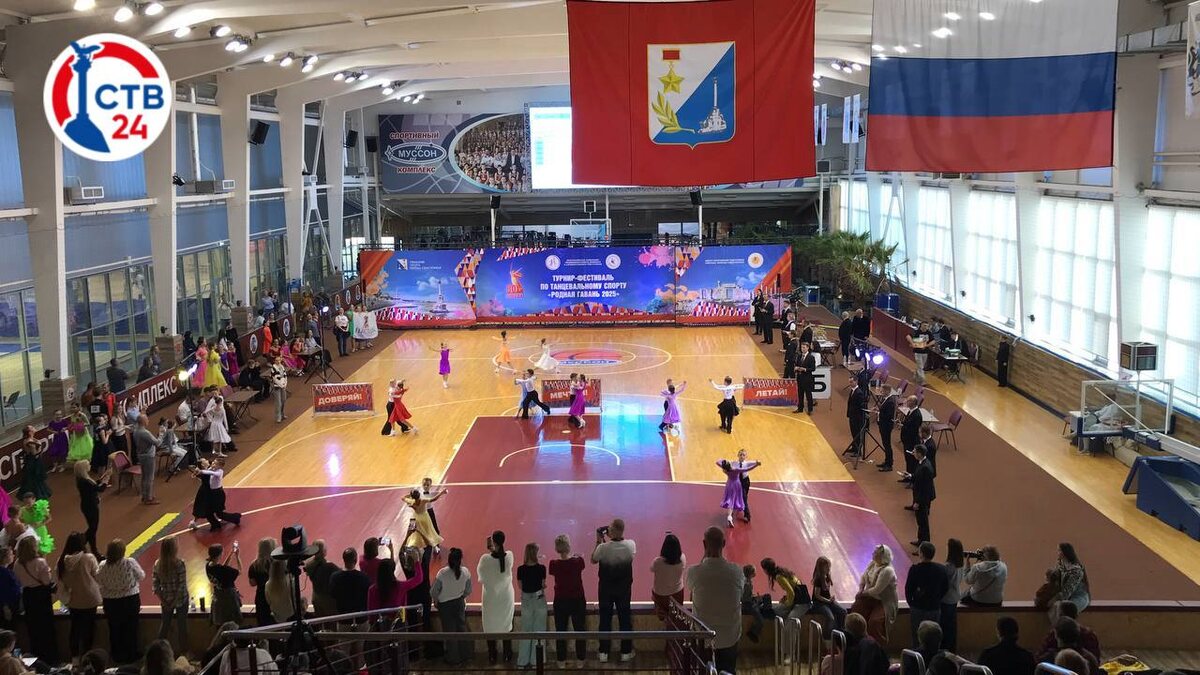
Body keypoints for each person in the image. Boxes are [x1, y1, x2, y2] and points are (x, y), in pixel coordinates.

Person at [687, 527, 744, 674]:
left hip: (704, 638)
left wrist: (706, 554)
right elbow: (741, 594)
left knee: (704, 670)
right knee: (728, 670)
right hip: (729, 636)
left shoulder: (694, 572)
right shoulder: (737, 572)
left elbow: (691, 590)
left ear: (704, 544)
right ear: (724, 543)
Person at [593, 518, 636, 663]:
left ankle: (603, 652)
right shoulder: (631, 545)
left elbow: (593, 559)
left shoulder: (603, 548)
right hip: (624, 590)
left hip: (605, 589)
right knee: (625, 619)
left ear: (611, 531)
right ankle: (626, 652)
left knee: (605, 620)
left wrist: (599, 541)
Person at [97, 538, 145, 663]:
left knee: (114, 629)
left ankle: (116, 655)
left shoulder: (102, 565)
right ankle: (132, 654)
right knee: (131, 628)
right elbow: (141, 576)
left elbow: (98, 580)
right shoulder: (129, 562)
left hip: (111, 602)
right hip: (130, 600)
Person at [57, 531, 101, 660]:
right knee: (89, 629)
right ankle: (87, 657)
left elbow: (60, 581)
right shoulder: (89, 558)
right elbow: (97, 575)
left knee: (75, 630)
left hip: (73, 600)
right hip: (90, 599)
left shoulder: (61, 561)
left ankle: (75, 659)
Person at [14, 537, 58, 663]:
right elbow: (46, 581)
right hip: (41, 595)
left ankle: (36, 657)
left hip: (28, 595)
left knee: (33, 628)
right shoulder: (40, 562)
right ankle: (50, 658)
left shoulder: (18, 563)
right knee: (46, 627)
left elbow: (18, 580)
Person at [548, 534, 586, 668]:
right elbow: (581, 564)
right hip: (577, 599)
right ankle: (580, 659)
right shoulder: (578, 562)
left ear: (556, 548)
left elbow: (553, 572)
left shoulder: (553, 564)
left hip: (560, 600)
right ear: (569, 546)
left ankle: (561, 660)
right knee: (580, 629)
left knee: (561, 630)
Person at [477, 531, 515, 665]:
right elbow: (501, 559)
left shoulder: (484, 559)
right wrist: (493, 550)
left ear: (493, 542)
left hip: (490, 599)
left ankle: (492, 655)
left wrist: (490, 551)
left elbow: (481, 577)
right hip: (506, 598)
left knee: (490, 625)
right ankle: (507, 654)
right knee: (507, 624)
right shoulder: (509, 556)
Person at [432, 548, 473, 666]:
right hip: (459, 603)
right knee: (462, 629)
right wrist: (461, 597)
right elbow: (468, 590)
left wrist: (436, 601)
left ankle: (453, 658)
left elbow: (434, 591)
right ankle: (465, 655)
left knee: (449, 632)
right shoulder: (465, 572)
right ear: (460, 559)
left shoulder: (442, 573)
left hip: (445, 606)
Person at [852, 544, 898, 645]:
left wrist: (862, 594)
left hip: (884, 601)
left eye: (875, 552)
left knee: (874, 622)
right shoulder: (872, 563)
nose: (873, 553)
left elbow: (876, 590)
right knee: (856, 612)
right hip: (870, 598)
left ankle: (877, 646)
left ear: (882, 556)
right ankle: (857, 641)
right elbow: (863, 576)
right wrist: (861, 588)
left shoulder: (888, 571)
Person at [905, 541, 949, 648]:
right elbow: (945, 587)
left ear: (921, 554)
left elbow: (908, 589)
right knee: (934, 635)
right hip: (934, 607)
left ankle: (917, 654)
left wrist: (911, 603)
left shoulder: (915, 569)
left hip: (918, 607)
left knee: (917, 635)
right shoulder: (941, 569)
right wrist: (937, 598)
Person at [152, 538, 189, 651]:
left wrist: (164, 601)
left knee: (165, 626)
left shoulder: (158, 564)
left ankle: (157, 651)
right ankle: (184, 651)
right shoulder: (179, 563)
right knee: (182, 626)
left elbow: (155, 585)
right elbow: (181, 585)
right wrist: (174, 601)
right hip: (181, 600)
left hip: (166, 599)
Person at [515, 542, 548, 668]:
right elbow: (543, 584)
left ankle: (522, 661)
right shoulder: (542, 568)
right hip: (539, 599)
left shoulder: (520, 569)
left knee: (526, 629)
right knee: (539, 630)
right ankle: (536, 661)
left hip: (526, 599)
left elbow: (520, 586)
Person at [74, 461, 109, 557]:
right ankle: (81, 544)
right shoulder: (85, 481)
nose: (90, 465)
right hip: (91, 507)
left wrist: (102, 479)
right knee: (93, 528)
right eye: (87, 465)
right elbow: (100, 489)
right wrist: (105, 481)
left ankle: (92, 549)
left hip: (88, 506)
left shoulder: (82, 480)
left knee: (92, 528)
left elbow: (94, 485)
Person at [650, 533, 686, 622]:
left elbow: (651, 569)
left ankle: (661, 615)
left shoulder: (657, 562)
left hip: (660, 594)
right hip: (677, 594)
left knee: (656, 598)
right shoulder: (682, 558)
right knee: (676, 616)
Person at [205, 543, 243, 626]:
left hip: (218, 596)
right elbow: (240, 571)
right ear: (220, 554)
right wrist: (237, 556)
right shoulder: (223, 570)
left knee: (219, 620)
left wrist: (231, 554)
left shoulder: (208, 566)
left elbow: (222, 568)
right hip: (228, 598)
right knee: (232, 620)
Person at [1049, 543, 1091, 616]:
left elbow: (1068, 589)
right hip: (1065, 597)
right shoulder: (1060, 565)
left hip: (1078, 597)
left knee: (1066, 610)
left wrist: (1055, 599)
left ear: (1065, 552)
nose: (1058, 553)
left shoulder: (1076, 570)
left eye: (1059, 550)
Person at [717, 456, 761, 527]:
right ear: (729, 465)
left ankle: (729, 516)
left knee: (730, 500)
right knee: (736, 499)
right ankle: (732, 516)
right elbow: (747, 469)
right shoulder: (736, 469)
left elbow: (717, 462)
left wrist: (723, 462)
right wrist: (756, 465)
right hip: (736, 485)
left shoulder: (725, 470)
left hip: (729, 484)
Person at [810, 556, 847, 635]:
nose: (828, 569)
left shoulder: (827, 577)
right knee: (831, 618)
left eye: (829, 567)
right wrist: (828, 601)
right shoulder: (818, 579)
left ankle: (840, 631)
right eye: (826, 567)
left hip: (827, 601)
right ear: (821, 567)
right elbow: (817, 595)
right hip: (818, 603)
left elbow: (826, 592)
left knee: (843, 611)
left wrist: (831, 599)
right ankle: (827, 637)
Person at [329, 547, 371, 615]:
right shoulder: (364, 577)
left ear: (344, 559)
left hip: (342, 615)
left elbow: (332, 594)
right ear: (356, 560)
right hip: (359, 615)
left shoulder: (334, 577)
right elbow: (367, 596)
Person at [304, 540, 340, 617]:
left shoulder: (308, 565)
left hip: (316, 597)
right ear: (323, 551)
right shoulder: (330, 566)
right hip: (328, 600)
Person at [132, 415, 162, 505]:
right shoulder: (145, 432)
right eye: (147, 419)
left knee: (144, 477)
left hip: (141, 455)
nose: (148, 420)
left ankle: (144, 495)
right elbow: (157, 443)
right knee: (149, 477)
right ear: (143, 421)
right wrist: (161, 435)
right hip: (148, 456)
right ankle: (149, 498)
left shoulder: (135, 431)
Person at [941, 539, 965, 652]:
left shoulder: (948, 567)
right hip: (955, 597)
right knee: (952, 625)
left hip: (946, 598)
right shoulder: (960, 565)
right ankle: (952, 648)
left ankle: (945, 648)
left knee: (945, 625)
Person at [248, 538, 277, 626]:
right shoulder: (277, 563)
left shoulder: (254, 565)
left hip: (261, 596)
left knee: (263, 622)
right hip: (275, 594)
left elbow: (252, 583)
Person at [911, 445, 936, 548]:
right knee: (920, 522)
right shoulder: (922, 463)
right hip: (921, 496)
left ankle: (924, 545)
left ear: (920, 454)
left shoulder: (925, 467)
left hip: (923, 499)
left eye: (915, 451)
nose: (913, 453)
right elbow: (918, 477)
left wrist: (917, 502)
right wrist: (910, 476)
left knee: (923, 523)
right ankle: (920, 540)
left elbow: (924, 488)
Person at [18, 426, 52, 499]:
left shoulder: (29, 439)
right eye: (32, 428)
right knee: (35, 477)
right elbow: (34, 453)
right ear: (30, 432)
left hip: (31, 460)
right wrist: (39, 445)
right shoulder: (29, 442)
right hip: (33, 461)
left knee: (34, 478)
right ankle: (37, 494)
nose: (33, 427)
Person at [899, 395, 923, 481]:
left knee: (912, 461)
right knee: (908, 460)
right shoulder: (911, 411)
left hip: (911, 442)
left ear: (913, 403)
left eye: (908, 401)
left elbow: (913, 429)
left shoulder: (917, 414)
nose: (907, 402)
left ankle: (912, 479)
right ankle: (907, 477)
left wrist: (904, 426)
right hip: (907, 440)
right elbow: (908, 423)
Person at [846, 375, 869, 457]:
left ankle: (858, 450)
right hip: (852, 416)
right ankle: (854, 447)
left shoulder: (859, 393)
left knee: (857, 433)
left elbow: (860, 406)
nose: (850, 383)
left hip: (857, 417)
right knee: (853, 432)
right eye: (849, 382)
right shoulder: (853, 391)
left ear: (856, 381)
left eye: (851, 382)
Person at [876, 386, 898, 471]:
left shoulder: (890, 402)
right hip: (883, 425)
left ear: (887, 391)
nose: (881, 392)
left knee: (887, 445)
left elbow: (888, 415)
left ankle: (889, 464)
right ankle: (886, 461)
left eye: (882, 391)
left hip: (886, 426)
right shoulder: (885, 399)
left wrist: (879, 412)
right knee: (885, 444)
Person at [794, 342, 817, 414]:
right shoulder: (799, 356)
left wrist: (805, 369)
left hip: (807, 379)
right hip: (800, 378)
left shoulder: (811, 357)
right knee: (800, 394)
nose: (802, 349)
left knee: (808, 395)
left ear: (807, 348)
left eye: (804, 347)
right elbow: (796, 364)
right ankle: (800, 408)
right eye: (801, 347)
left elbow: (813, 368)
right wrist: (796, 368)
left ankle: (810, 410)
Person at [269, 354, 288, 424]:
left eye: (279, 360)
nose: (278, 361)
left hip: (283, 386)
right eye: (276, 360)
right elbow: (275, 379)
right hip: (277, 386)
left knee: (284, 400)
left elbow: (285, 376)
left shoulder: (282, 367)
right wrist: (280, 385)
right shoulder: (273, 368)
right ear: (274, 361)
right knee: (278, 402)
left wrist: (285, 384)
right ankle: (278, 416)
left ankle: (282, 413)